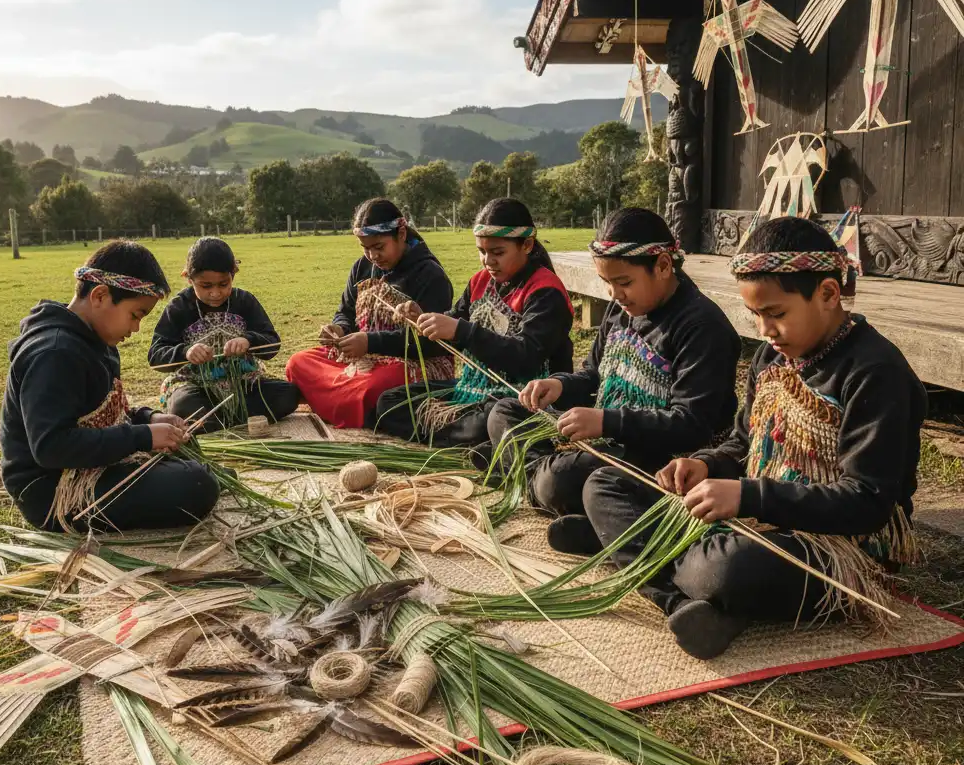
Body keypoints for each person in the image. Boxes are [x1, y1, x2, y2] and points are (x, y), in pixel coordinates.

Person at [582, 216, 926, 660]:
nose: (764, 330)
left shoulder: (875, 373)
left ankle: (643, 557)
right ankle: (682, 602)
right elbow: (743, 444)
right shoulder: (772, 354)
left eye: (776, 313)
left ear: (827, 293)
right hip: (760, 523)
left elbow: (866, 502)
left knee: (726, 566)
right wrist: (704, 465)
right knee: (606, 484)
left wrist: (747, 497)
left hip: (842, 549)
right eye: (756, 315)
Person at [488, 207, 739, 546]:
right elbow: (594, 375)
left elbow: (690, 425)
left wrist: (607, 422)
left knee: (559, 480)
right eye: (607, 283)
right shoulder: (622, 307)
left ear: (663, 266)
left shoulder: (701, 327)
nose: (615, 295)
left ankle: (551, 489)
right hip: (613, 440)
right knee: (505, 412)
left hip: (662, 456)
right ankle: (578, 503)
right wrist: (559, 385)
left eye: (623, 283)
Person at [0, 240, 220, 533]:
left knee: (186, 448)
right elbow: (51, 447)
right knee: (197, 485)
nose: (136, 328)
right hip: (54, 490)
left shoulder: (99, 342)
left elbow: (106, 413)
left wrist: (149, 418)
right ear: (100, 296)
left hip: (86, 467)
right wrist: (142, 437)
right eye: (135, 315)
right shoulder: (54, 354)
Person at [375, 198, 574, 446]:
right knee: (390, 402)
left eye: (497, 252)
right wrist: (423, 320)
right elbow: (455, 325)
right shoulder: (479, 282)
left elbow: (526, 357)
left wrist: (461, 331)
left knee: (496, 416)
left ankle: (469, 434)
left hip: (523, 396)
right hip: (474, 387)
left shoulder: (545, 291)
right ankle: (473, 437)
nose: (488, 261)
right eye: (482, 251)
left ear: (527, 245)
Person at [285, 198, 455, 428]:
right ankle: (348, 404)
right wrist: (339, 328)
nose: (373, 256)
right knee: (297, 363)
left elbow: (431, 344)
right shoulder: (361, 268)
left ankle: (344, 403)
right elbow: (345, 311)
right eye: (365, 248)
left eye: (379, 247)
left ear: (401, 233)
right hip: (364, 359)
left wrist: (371, 342)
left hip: (413, 362)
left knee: (375, 388)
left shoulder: (430, 275)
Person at [149, 237, 298, 430]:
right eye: (206, 286)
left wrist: (248, 341)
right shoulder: (179, 307)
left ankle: (218, 419)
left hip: (242, 383)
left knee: (289, 395)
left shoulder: (244, 301)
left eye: (223, 284)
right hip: (195, 385)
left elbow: (272, 344)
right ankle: (230, 416)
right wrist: (186, 352)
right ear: (188, 277)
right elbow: (156, 355)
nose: (215, 293)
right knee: (183, 404)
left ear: (233, 274)